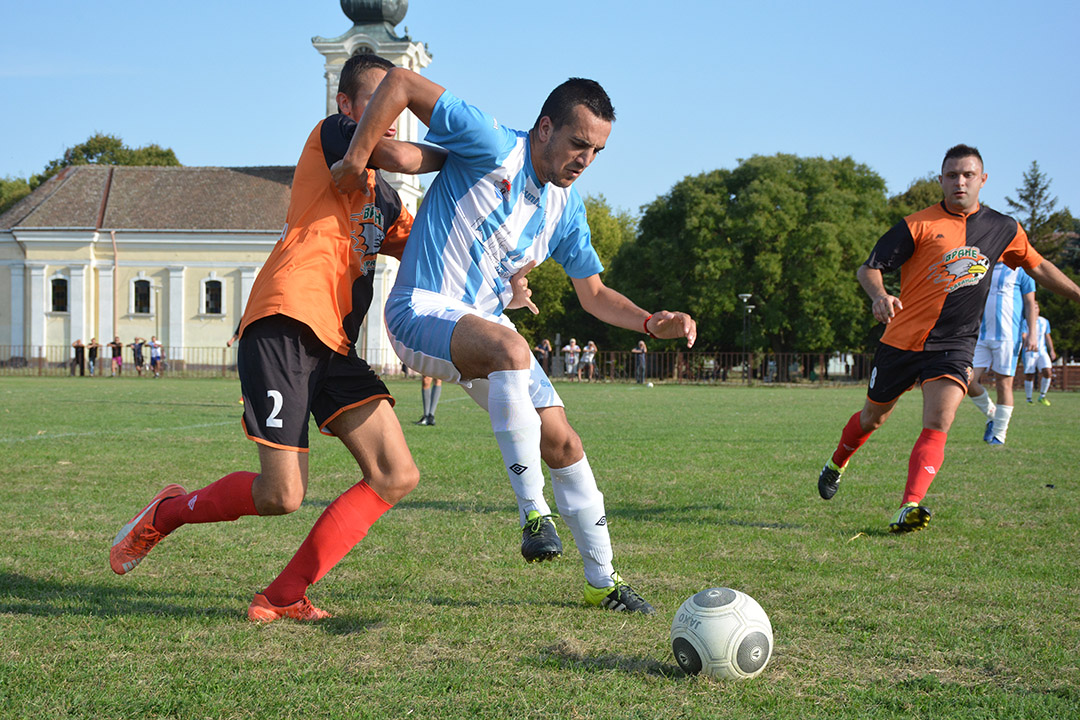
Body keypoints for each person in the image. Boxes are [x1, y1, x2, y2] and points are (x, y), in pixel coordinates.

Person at [333, 69, 697, 613]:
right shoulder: (490, 142)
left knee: (565, 442)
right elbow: (403, 83)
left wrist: (650, 322)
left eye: (597, 151)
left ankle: (604, 581)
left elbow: (594, 295)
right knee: (512, 348)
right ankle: (534, 516)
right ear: (545, 128)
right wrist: (355, 160)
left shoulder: (567, 209)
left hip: (483, 329)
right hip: (421, 309)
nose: (585, 160)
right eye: (578, 143)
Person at [109, 53, 445, 622]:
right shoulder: (335, 134)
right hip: (285, 322)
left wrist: (504, 271)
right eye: (381, 102)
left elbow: (433, 253)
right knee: (281, 495)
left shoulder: (385, 200)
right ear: (346, 105)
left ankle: (284, 595)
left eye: (402, 105)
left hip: (335, 345)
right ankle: (168, 511)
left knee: (396, 473)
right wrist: (471, 153)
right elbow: (396, 153)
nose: (392, 115)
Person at [816, 144, 1080, 533]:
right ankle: (837, 461)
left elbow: (1038, 267)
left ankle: (909, 506)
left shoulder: (1004, 228)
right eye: (952, 175)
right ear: (940, 180)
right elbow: (869, 268)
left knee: (940, 419)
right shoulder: (916, 225)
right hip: (902, 340)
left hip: (954, 344)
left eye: (968, 174)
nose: (960, 181)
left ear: (982, 179)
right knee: (873, 418)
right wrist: (880, 295)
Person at [965, 264, 1036, 444]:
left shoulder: (1022, 271)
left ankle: (998, 435)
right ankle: (993, 415)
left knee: (1003, 385)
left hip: (1008, 337)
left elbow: (1030, 303)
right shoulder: (983, 266)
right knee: (967, 379)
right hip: (981, 336)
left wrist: (1032, 333)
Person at [1021, 306, 1056, 405]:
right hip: (1029, 352)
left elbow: (1047, 336)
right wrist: (1029, 343)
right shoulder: (1025, 321)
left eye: (1036, 307)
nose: (1034, 309)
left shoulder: (1044, 321)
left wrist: (1052, 350)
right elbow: (1023, 335)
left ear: (1039, 309)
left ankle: (1042, 396)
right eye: (1033, 307)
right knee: (1029, 375)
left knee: (1048, 371)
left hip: (1042, 351)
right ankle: (1029, 399)